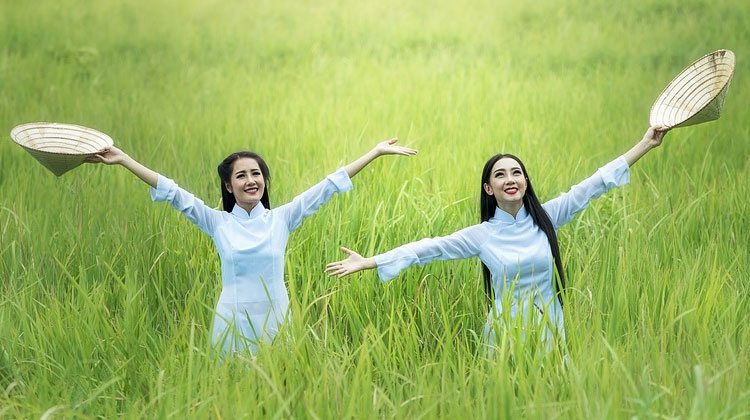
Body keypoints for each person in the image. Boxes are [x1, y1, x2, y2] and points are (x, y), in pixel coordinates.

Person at [326, 126, 669, 354]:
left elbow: (595, 184)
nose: (511, 179)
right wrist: (369, 261)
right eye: (500, 174)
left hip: (551, 329)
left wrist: (645, 144)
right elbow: (427, 248)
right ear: (489, 189)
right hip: (506, 335)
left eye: (516, 172)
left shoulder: (546, 218)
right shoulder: (483, 235)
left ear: (525, 182)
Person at [88, 138, 417, 354]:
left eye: (256, 173)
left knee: (278, 389)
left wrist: (374, 153)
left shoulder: (281, 219)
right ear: (229, 186)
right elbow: (174, 193)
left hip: (276, 319)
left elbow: (327, 187)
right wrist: (125, 160)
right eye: (241, 176)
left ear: (264, 181)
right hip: (231, 320)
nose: (251, 180)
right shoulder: (217, 222)